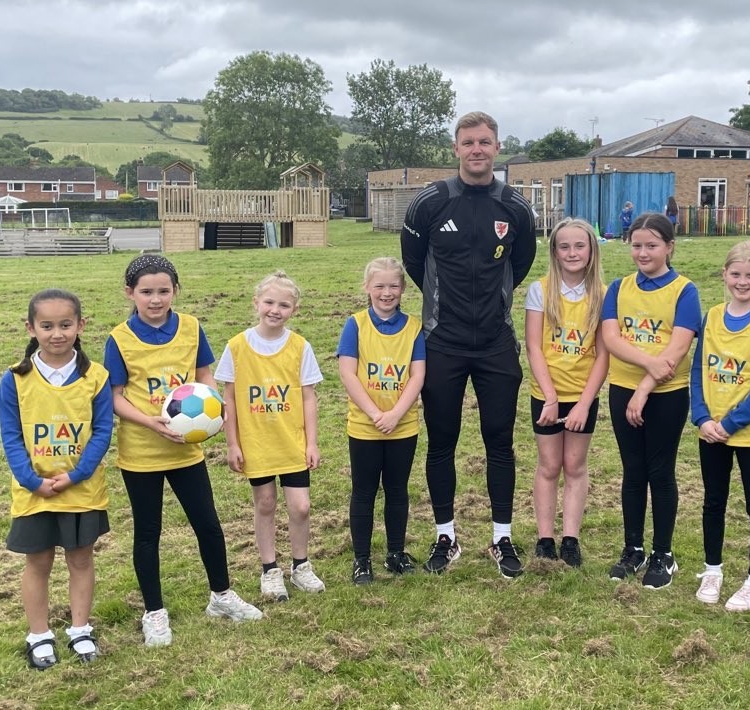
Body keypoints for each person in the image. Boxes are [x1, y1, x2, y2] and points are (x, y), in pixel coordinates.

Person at [400, 111, 537, 579]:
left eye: (484, 142)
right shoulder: (430, 202)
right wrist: (446, 307)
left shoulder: (515, 206)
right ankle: (446, 535)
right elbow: (414, 262)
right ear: (455, 149)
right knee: (442, 442)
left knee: (499, 441)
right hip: (443, 342)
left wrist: (490, 304)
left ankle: (502, 537)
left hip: (496, 342)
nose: (476, 150)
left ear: (497, 147)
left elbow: (521, 262)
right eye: (468, 142)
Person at [104, 255, 261, 647]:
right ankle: (154, 612)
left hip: (186, 451)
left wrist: (210, 412)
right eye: (146, 292)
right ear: (130, 293)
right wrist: (150, 421)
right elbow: (115, 397)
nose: (155, 300)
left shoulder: (191, 327)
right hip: (141, 451)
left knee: (207, 523)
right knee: (148, 533)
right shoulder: (119, 338)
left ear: (175, 290)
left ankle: (221, 596)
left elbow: (203, 375)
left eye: (163, 291)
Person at [0, 289, 112, 669]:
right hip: (36, 493)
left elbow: (102, 432)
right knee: (38, 562)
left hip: (81, 490)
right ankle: (39, 634)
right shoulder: (14, 380)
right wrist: (33, 482)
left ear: (80, 325)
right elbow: (11, 437)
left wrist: (77, 474)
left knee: (81, 559)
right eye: (46, 326)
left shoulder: (96, 377)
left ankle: (80, 629)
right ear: (31, 328)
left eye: (65, 324)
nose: (57, 334)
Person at [601, 212, 701, 588]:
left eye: (652, 245)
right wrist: (647, 365)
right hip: (621, 390)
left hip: (666, 395)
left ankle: (664, 553)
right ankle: (633, 549)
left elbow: (676, 350)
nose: (643, 253)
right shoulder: (619, 287)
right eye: (637, 245)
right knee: (633, 471)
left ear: (669, 247)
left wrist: (644, 389)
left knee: (660, 472)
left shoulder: (685, 290)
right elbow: (611, 339)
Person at [690, 242, 750, 610]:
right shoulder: (712, 316)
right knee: (713, 502)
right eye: (736, 274)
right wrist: (701, 417)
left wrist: (729, 423)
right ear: (724, 275)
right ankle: (712, 568)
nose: (742, 282)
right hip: (710, 431)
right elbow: (698, 370)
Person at [216, 271, 325, 601]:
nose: (275, 310)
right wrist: (232, 443)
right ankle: (270, 570)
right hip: (256, 443)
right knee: (265, 503)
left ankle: (301, 566)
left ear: (295, 309)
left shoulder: (299, 346)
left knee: (301, 507)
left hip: (290, 441)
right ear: (256, 303)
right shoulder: (236, 346)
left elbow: (308, 397)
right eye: (269, 302)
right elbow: (229, 399)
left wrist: (311, 442)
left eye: (284, 304)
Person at [337, 257, 426, 585]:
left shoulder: (415, 326)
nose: (386, 293)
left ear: (403, 289)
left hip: (403, 426)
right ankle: (361, 559)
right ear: (367, 288)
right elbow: (347, 373)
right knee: (363, 491)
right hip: (364, 426)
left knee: (397, 489)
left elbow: (418, 376)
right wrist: (375, 414)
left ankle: (395, 553)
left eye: (393, 286)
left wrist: (395, 414)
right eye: (379, 286)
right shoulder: (355, 324)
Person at [525, 218, 609, 567]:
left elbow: (604, 354)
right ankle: (545, 539)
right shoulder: (540, 290)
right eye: (564, 246)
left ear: (591, 250)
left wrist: (583, 404)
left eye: (579, 246)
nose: (572, 253)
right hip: (547, 393)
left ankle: (570, 539)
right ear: (554, 251)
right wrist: (550, 397)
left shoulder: (604, 295)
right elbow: (533, 348)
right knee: (548, 465)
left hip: (583, 394)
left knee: (574, 465)